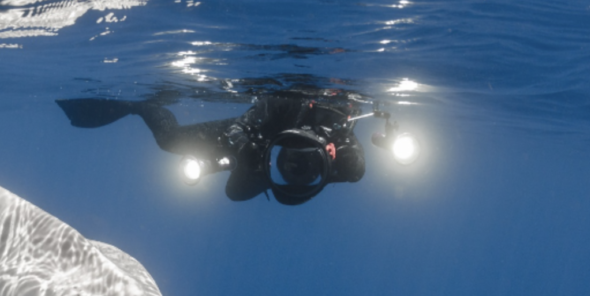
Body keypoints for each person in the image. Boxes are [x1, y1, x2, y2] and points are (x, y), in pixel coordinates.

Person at [56, 94, 366, 205]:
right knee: (170, 139)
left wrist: (251, 157)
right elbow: (238, 127)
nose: (299, 163)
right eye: (303, 162)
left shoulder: (339, 159)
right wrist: (245, 143)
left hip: (256, 147)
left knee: (171, 143)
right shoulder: (289, 104)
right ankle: (144, 105)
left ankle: (141, 105)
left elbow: (236, 192)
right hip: (256, 132)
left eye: (294, 168)